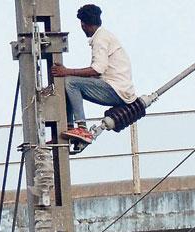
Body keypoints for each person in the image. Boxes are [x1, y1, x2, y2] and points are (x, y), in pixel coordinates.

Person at [52, 4, 137, 151]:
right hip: (116, 88)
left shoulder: (100, 39)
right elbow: (97, 73)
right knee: (70, 83)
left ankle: (82, 128)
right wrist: (67, 72)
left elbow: (97, 70)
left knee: (70, 82)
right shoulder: (104, 36)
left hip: (116, 90)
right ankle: (70, 127)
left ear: (84, 24)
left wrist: (66, 71)